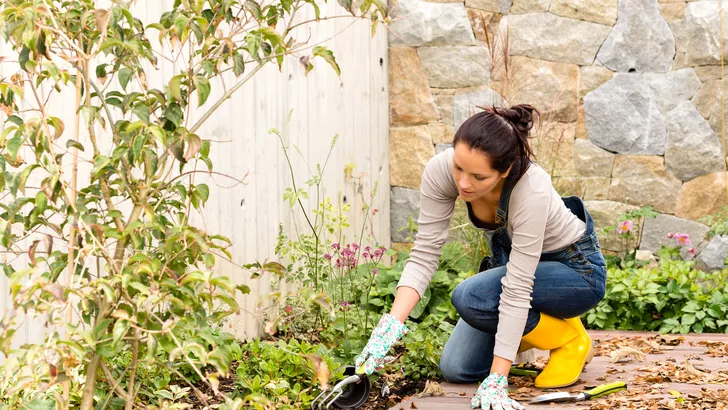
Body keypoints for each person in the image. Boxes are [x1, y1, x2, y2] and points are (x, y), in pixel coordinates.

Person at [355, 104, 607, 409]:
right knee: (457, 368)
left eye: (478, 176)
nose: (463, 183)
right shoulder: (441, 170)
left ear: (506, 170)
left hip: (576, 271)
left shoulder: (531, 189)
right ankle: (547, 329)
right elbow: (423, 255)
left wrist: (498, 380)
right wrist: (389, 327)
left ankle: (569, 339)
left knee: (472, 296)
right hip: (521, 271)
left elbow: (516, 288)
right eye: (459, 167)